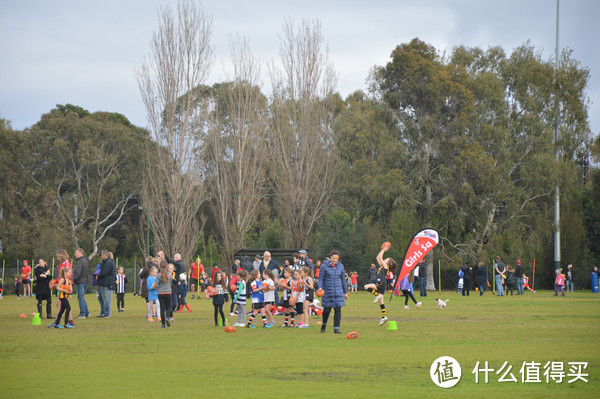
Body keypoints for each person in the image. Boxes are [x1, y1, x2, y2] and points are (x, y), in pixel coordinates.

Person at [318, 250, 349, 334]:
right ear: (330, 258)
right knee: (327, 310)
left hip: (338, 291)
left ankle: (336, 328)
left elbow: (343, 279)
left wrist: (345, 292)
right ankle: (324, 325)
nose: (335, 260)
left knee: (338, 309)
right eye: (333, 258)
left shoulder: (341, 266)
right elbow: (320, 278)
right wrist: (320, 287)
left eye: (336, 258)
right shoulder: (324, 266)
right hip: (328, 291)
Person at [55, 250, 74, 326]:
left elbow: (68, 276)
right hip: (62, 286)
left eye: (58, 256)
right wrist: (56, 281)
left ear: (62, 256)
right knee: (60, 305)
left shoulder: (66, 264)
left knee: (63, 305)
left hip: (65, 287)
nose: (58, 258)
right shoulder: (61, 264)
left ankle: (61, 322)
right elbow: (61, 276)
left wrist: (68, 287)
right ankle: (66, 322)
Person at [97, 250, 116, 318]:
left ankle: (107, 313)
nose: (101, 256)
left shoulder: (108, 263)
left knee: (106, 298)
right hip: (105, 282)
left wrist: (98, 276)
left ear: (105, 255)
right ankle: (104, 312)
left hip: (106, 283)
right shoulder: (106, 262)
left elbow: (104, 273)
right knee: (103, 298)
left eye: (102, 255)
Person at [154, 261, 173, 328]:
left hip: (160, 293)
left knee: (162, 308)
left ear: (159, 266)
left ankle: (163, 324)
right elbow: (171, 282)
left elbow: (156, 285)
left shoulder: (158, 275)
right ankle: (167, 317)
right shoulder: (170, 275)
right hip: (168, 292)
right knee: (168, 306)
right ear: (166, 267)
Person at [72, 248, 90, 319]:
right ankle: (87, 312)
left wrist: (74, 280)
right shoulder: (86, 261)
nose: (75, 254)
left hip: (81, 282)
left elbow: (78, 272)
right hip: (86, 281)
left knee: (80, 298)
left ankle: (82, 314)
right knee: (82, 297)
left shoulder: (79, 262)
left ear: (80, 253)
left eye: (76, 253)